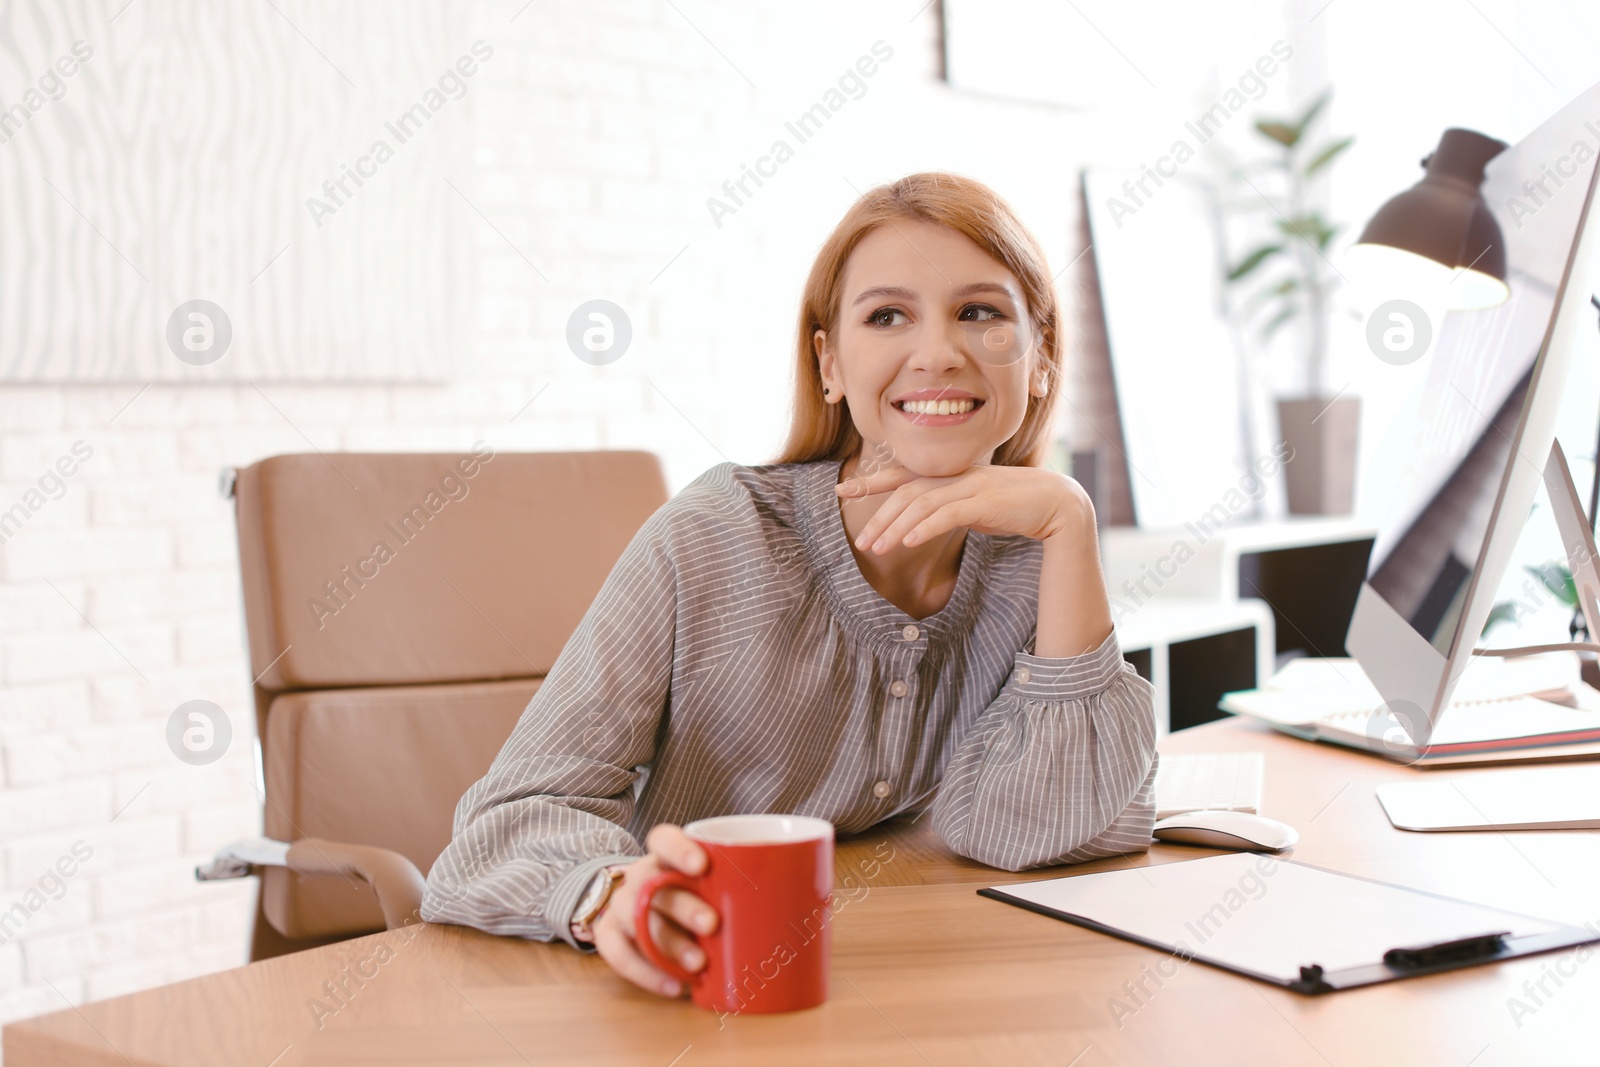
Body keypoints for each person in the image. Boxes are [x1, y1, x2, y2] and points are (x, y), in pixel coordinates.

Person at [421, 171, 1158, 999]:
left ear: (1043, 357)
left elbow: (1028, 824)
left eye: (980, 312)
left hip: (876, 977)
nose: (938, 352)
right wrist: (610, 892)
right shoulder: (714, 536)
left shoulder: (1034, 557)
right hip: (661, 982)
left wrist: (1071, 518)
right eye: (887, 315)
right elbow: (493, 834)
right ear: (830, 362)